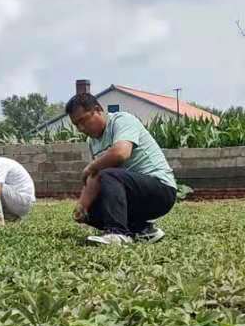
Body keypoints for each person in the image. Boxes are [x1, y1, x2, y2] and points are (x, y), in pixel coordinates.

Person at [65, 93, 177, 245]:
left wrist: (91, 166)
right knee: (90, 211)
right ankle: (143, 230)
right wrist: (82, 206)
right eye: (76, 124)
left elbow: (121, 153)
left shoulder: (122, 120)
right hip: (132, 193)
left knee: (108, 174)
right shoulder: (92, 142)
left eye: (83, 120)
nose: (80, 128)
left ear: (97, 110)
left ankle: (118, 233)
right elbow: (95, 176)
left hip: (161, 190)